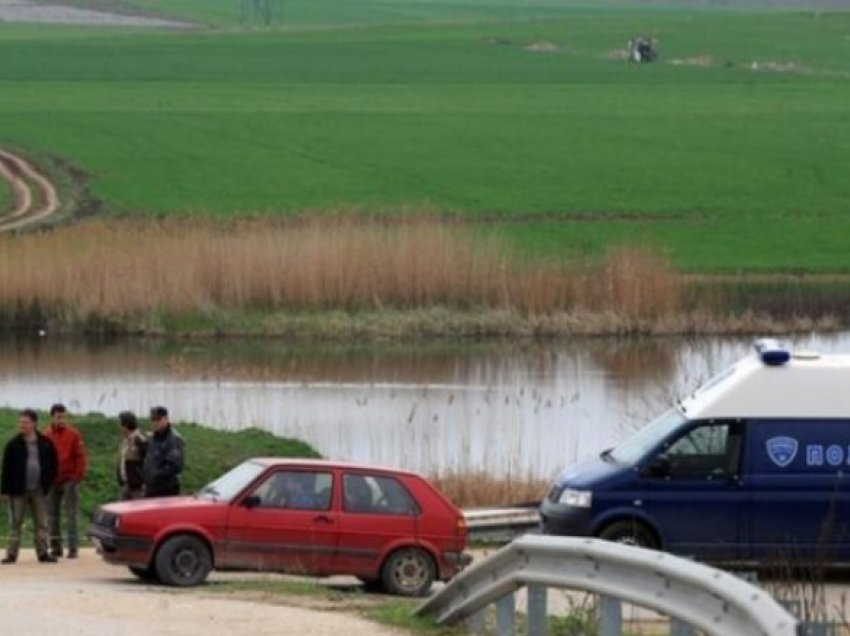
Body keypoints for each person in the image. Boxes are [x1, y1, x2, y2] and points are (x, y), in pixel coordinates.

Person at [1, 409, 58, 564]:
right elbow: (6, 469)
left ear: (34, 423)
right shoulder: (12, 445)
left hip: (39, 490)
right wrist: (4, 491)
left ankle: (43, 553)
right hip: (18, 491)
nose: (22, 425)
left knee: (41, 523)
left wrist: (48, 482)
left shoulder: (46, 443)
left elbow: (54, 465)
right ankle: (11, 554)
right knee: (15, 523)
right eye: (20, 422)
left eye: (25, 422)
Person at [44, 403, 87, 559]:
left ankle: (73, 548)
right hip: (52, 481)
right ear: (52, 417)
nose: (61, 420)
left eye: (64, 416)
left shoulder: (74, 434)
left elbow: (80, 457)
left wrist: (77, 477)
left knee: (71, 514)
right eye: (58, 417)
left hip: (69, 479)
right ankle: (56, 548)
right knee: (52, 516)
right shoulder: (46, 435)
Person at [143, 406, 184, 498]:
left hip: (166, 490)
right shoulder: (154, 438)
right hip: (151, 488)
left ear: (166, 419)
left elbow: (175, 466)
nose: (155, 423)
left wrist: (156, 475)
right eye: (153, 420)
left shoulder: (173, 439)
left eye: (158, 419)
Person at [117, 411, 147, 500]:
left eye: (120, 424)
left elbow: (147, 462)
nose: (118, 427)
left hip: (138, 487)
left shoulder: (140, 441)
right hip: (126, 485)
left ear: (125, 426)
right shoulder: (125, 442)